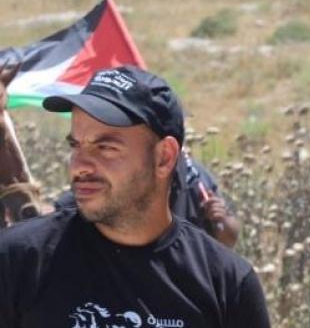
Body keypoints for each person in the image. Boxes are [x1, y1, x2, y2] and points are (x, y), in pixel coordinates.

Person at [0, 66, 270, 328]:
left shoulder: (227, 284)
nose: (79, 165)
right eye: (76, 145)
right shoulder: (16, 261)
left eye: (105, 147)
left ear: (164, 157)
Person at [55, 150, 242, 248]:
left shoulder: (196, 176)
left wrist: (222, 219)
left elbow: (228, 238)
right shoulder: (126, 174)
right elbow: (63, 213)